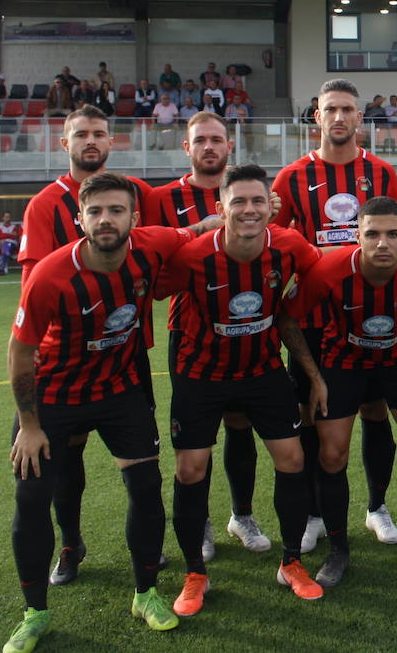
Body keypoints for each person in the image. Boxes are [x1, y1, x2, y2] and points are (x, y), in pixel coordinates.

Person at [2, 174, 192, 652]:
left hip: (119, 390)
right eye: (96, 212)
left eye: (116, 210)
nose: (106, 219)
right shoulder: (50, 276)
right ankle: (35, 613)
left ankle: (146, 594)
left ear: (134, 217)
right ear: (80, 219)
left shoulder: (153, 246)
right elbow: (20, 353)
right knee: (31, 496)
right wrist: (29, 425)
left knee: (146, 486)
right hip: (55, 396)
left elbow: (201, 230)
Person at [155, 164, 326, 614]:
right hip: (200, 372)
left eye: (257, 201)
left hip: (262, 368)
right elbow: (151, 287)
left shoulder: (290, 246)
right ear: (220, 208)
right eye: (238, 202)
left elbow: (321, 274)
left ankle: (291, 562)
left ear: (270, 206)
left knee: (292, 458)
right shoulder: (193, 255)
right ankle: (195, 573)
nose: (248, 210)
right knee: (190, 469)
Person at [18, 106, 162, 587]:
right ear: (66, 144)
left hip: (126, 350)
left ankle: (144, 552)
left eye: (99, 133)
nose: (91, 141)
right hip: (65, 355)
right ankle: (69, 543)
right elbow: (31, 281)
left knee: (141, 468)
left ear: (112, 140)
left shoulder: (136, 192)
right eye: (81, 134)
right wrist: (33, 343)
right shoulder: (43, 205)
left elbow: (162, 243)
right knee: (67, 458)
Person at [281, 197, 397, 585]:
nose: (382, 243)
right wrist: (316, 378)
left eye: (392, 234)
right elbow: (287, 319)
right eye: (372, 234)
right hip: (343, 363)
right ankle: (339, 551)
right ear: (356, 235)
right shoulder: (328, 270)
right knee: (332, 452)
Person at [272, 79, 397, 555]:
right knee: (312, 414)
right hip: (315, 317)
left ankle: (376, 505)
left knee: (375, 408)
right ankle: (313, 512)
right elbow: (276, 243)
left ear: (360, 118)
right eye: (332, 109)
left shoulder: (382, 173)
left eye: (348, 109)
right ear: (317, 117)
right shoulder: (290, 178)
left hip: (371, 313)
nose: (340, 117)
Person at [145, 112, 271, 562]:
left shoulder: (249, 192)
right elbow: (152, 253)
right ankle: (199, 523)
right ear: (187, 147)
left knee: (242, 425)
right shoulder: (163, 198)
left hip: (252, 327)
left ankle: (243, 514)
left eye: (217, 140)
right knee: (197, 437)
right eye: (201, 141)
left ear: (229, 146)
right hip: (192, 331)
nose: (210, 147)